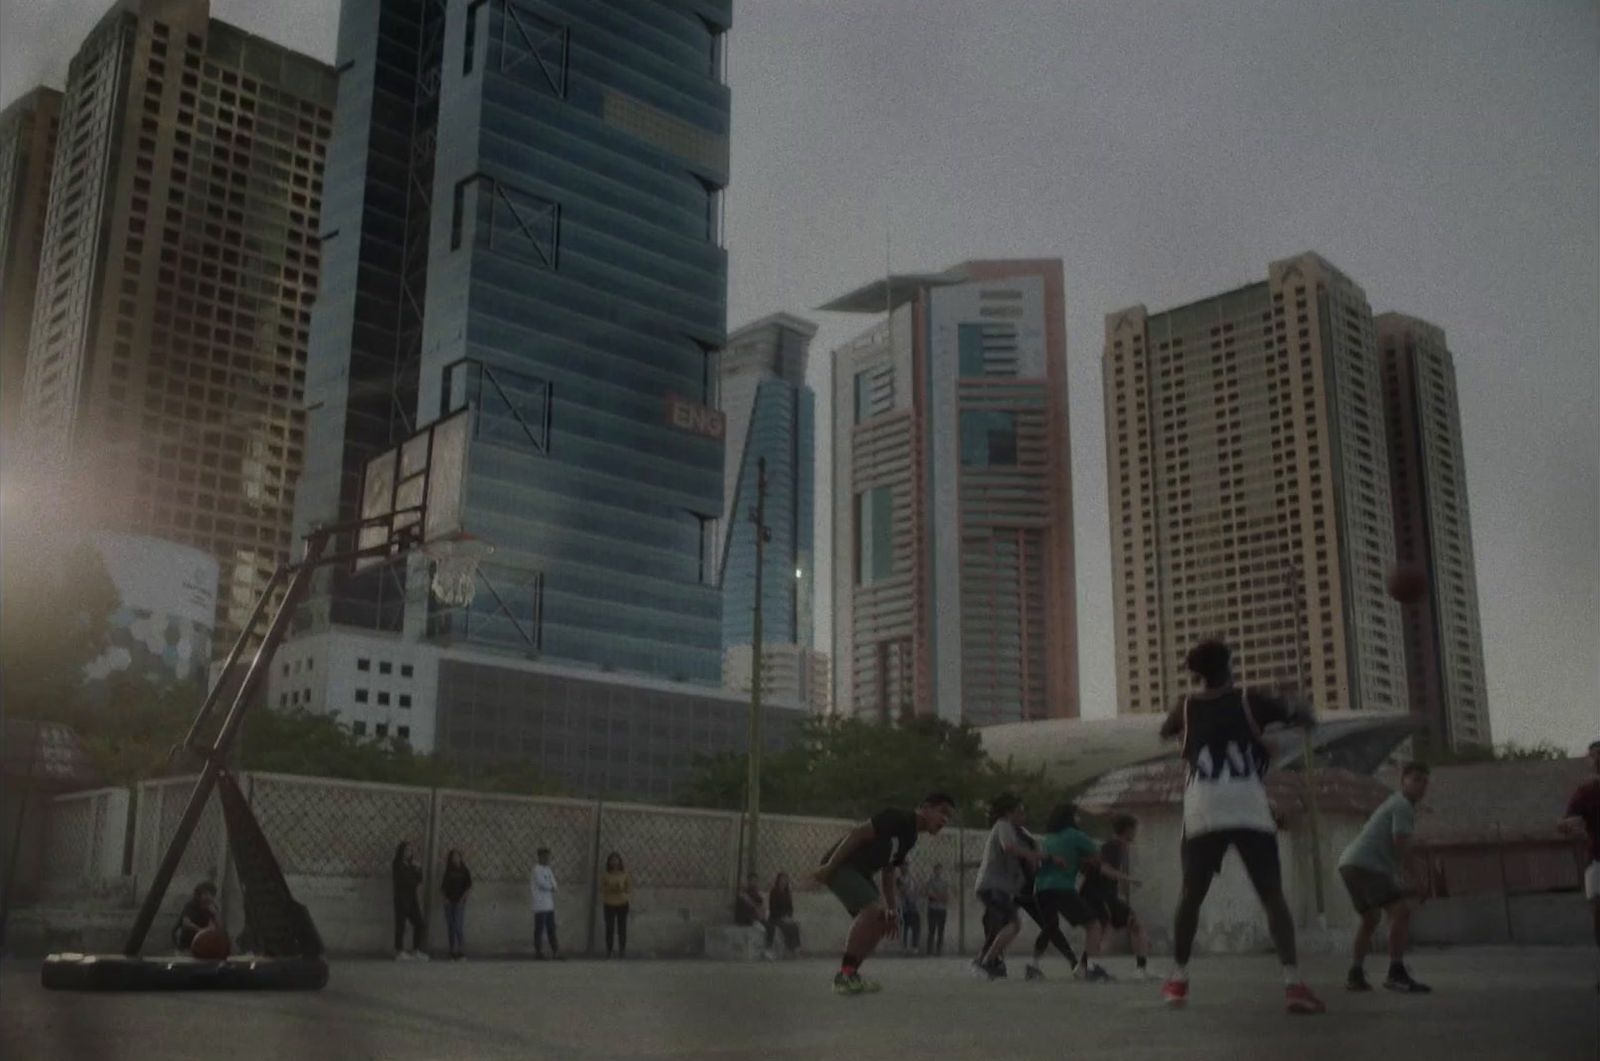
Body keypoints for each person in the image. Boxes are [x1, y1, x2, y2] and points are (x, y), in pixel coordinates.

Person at [1158, 639, 1325, 1015]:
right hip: (1246, 805)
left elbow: (1166, 733)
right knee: (1271, 896)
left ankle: (1178, 980)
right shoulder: (1252, 700)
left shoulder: (1184, 708)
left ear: (1197, 674)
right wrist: (1290, 698)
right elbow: (1306, 718)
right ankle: (1293, 983)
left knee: (1191, 895)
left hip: (1203, 806)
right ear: (1230, 666)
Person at [812, 792, 958, 995]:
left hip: (862, 875)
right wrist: (829, 867)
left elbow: (889, 872)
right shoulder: (898, 817)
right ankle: (843, 978)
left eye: (949, 817)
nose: (944, 820)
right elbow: (857, 833)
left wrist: (892, 910)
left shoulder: (911, 837)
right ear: (925, 807)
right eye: (942, 812)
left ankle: (850, 974)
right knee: (872, 911)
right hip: (843, 866)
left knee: (882, 919)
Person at [1338, 762, 1432, 993]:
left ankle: (1355, 974)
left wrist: (1400, 874)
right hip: (1367, 865)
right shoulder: (1402, 805)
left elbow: (1396, 847)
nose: (1421, 785)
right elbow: (1401, 843)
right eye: (1416, 779)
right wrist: (1419, 877)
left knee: (1370, 919)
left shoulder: (1394, 805)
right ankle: (1396, 973)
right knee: (1401, 912)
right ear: (1403, 781)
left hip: (1349, 864)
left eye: (1425, 781)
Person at [1025, 802, 1116, 983]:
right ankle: (1091, 967)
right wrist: (1082, 860)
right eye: (1076, 815)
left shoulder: (1049, 838)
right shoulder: (1075, 836)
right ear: (1069, 818)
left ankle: (1033, 966)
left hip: (1041, 888)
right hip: (1062, 887)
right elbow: (1098, 857)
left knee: (1049, 927)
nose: (1079, 818)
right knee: (1093, 925)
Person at [973, 793, 1046, 979]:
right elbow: (1008, 847)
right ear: (1008, 813)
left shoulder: (1018, 832)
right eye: (1020, 812)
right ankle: (987, 962)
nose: (1024, 816)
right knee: (1013, 924)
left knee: (1001, 925)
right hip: (992, 886)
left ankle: (987, 960)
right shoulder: (1003, 825)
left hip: (999, 887)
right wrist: (1035, 855)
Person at [1082, 814, 1153, 980]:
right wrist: (1129, 879)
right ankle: (1140, 970)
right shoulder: (1115, 845)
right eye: (1135, 830)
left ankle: (1084, 966)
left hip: (1102, 895)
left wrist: (1122, 886)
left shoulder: (1116, 846)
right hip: (1099, 896)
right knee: (1126, 926)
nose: (1136, 833)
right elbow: (1104, 869)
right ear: (1128, 830)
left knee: (1106, 929)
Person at [1557, 738, 1600, 992]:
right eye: (1594, 755)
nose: (1597, 759)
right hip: (1598, 860)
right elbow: (1567, 821)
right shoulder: (1586, 792)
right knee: (1598, 913)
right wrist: (1566, 826)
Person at [392, 840, 427, 960]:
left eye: (410, 850)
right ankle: (399, 951)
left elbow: (419, 880)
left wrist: (418, 869)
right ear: (401, 851)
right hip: (401, 898)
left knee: (419, 923)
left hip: (412, 899)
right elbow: (405, 880)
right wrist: (414, 879)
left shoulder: (411, 865)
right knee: (401, 925)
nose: (409, 852)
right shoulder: (397, 864)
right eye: (407, 850)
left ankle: (416, 950)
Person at [530, 846, 562, 960]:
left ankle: (555, 951)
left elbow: (554, 883)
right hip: (540, 905)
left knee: (551, 928)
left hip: (549, 905)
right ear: (539, 857)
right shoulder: (536, 869)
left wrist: (553, 886)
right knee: (539, 929)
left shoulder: (548, 869)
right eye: (544, 856)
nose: (546, 859)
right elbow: (541, 883)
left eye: (548, 856)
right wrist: (551, 887)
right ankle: (538, 951)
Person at [441, 848, 473, 960]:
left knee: (458, 926)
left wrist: (463, 899)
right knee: (451, 926)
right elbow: (443, 887)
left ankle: (461, 950)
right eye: (453, 856)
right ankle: (452, 951)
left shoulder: (464, 871)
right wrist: (445, 899)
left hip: (460, 902)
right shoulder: (448, 871)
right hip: (449, 902)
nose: (455, 858)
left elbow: (468, 886)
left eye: (457, 856)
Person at [172, 880, 219, 953]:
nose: (209, 897)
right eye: (206, 894)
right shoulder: (191, 905)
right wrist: (201, 931)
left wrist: (215, 915)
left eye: (211, 895)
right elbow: (186, 923)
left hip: (201, 944)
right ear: (199, 895)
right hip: (186, 943)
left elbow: (215, 928)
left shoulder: (212, 908)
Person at [601, 851, 631, 959]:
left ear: (619, 861)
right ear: (609, 862)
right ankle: (609, 951)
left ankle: (622, 951)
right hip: (609, 903)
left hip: (622, 903)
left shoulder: (624, 874)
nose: (614, 862)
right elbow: (603, 889)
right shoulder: (606, 875)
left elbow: (628, 888)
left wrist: (621, 888)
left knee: (622, 928)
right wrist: (611, 887)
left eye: (616, 860)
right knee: (609, 928)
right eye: (612, 860)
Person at [766, 872, 802, 957]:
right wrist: (782, 917)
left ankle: (795, 948)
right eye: (782, 879)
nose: (784, 881)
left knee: (794, 926)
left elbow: (790, 907)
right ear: (778, 880)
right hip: (775, 918)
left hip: (785, 917)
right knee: (788, 926)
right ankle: (792, 949)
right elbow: (773, 908)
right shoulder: (774, 892)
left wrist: (788, 916)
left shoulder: (787, 892)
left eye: (785, 879)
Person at [924, 864, 950, 956]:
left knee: (940, 931)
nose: (938, 872)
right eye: (936, 870)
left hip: (942, 909)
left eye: (939, 870)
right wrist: (940, 897)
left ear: (941, 871)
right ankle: (929, 951)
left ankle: (938, 951)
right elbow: (930, 895)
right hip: (933, 908)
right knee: (931, 930)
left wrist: (938, 896)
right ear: (934, 871)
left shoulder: (945, 882)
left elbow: (947, 897)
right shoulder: (930, 881)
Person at [897, 866, 922, 953]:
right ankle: (904, 947)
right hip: (904, 907)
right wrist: (909, 892)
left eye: (906, 866)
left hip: (912, 906)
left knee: (916, 925)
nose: (905, 868)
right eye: (903, 866)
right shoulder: (899, 879)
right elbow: (903, 890)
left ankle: (914, 946)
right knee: (905, 927)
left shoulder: (911, 879)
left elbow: (916, 890)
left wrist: (913, 893)